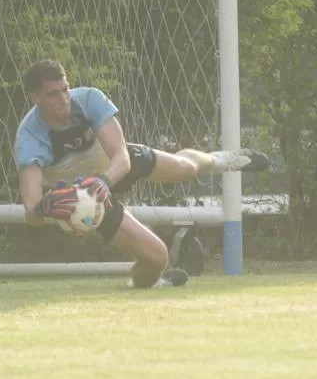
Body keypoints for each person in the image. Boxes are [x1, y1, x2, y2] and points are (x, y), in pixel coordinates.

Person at [15, 59, 269, 289]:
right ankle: (155, 283)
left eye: (65, 89)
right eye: (53, 94)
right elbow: (31, 212)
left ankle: (218, 160)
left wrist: (104, 181)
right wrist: (43, 208)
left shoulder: (89, 99)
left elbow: (122, 157)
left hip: (111, 167)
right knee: (158, 258)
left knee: (185, 168)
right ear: (36, 98)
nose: (63, 99)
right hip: (87, 198)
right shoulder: (29, 139)